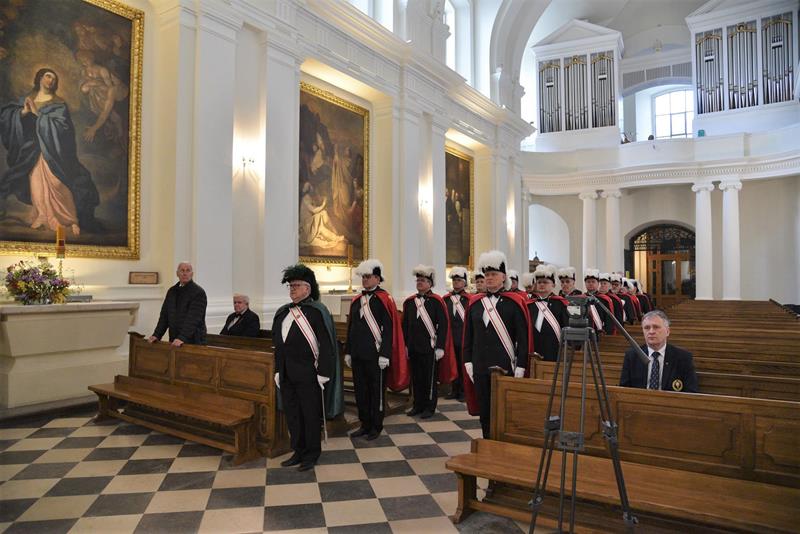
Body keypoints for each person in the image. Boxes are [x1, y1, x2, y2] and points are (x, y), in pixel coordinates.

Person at [0, 67, 100, 234]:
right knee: (36, 184)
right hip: (31, 151)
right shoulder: (27, 99)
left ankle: (70, 219)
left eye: (53, 78)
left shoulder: (59, 104)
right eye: (47, 76)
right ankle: (43, 216)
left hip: (53, 152)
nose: (50, 80)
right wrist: (23, 112)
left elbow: (64, 129)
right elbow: (6, 117)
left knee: (57, 183)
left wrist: (38, 114)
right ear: (40, 78)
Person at [272, 264, 343, 471]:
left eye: (296, 285)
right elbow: (279, 345)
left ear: (307, 288)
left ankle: (311, 454)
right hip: (287, 373)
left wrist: (323, 373)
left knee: (310, 416)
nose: (292, 289)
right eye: (290, 286)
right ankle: (298, 450)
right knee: (293, 415)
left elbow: (326, 345)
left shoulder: (317, 312)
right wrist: (278, 370)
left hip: (309, 375)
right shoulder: (283, 312)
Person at [462, 250, 531, 438]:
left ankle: (502, 445)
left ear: (503, 277)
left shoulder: (514, 302)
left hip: (504, 365)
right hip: (479, 365)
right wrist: (468, 361)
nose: (489, 278)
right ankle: (487, 442)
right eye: (487, 274)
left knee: (503, 410)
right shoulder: (475, 303)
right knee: (484, 410)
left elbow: (523, 338)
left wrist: (521, 365)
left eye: (493, 274)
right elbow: (468, 335)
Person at [344, 259, 407, 440]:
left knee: (376, 392)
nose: (365, 280)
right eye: (363, 277)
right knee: (361, 392)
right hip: (358, 354)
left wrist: (385, 354)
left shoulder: (384, 299)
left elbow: (389, 329)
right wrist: (348, 351)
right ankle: (364, 424)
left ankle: (375, 426)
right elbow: (352, 327)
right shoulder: (357, 300)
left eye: (368, 277)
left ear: (378, 279)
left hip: (376, 355)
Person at [402, 266, 456, 418]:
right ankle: (417, 405)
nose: (419, 282)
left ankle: (429, 407)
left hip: (430, 347)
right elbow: (405, 325)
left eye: (423, 280)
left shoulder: (437, 301)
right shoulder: (410, 302)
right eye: (418, 280)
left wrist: (440, 347)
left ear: (430, 283)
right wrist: (405, 345)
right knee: (416, 379)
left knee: (429, 379)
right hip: (413, 347)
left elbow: (443, 325)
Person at [619, 310, 698, 393]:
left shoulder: (683, 357)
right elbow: (623, 390)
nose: (651, 332)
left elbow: (691, 392)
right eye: (647, 328)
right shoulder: (632, 355)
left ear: (667, 331)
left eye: (656, 327)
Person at [148, 262, 207, 346]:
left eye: (188, 270)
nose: (185, 273)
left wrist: (182, 337)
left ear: (192, 274)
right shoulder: (172, 291)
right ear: (177, 273)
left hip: (193, 341)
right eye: (182, 270)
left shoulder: (198, 292)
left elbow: (193, 319)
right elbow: (164, 316)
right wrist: (157, 335)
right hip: (175, 339)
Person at [528, 264, 568, 361]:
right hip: (534, 348)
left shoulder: (561, 303)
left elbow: (566, 327)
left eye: (545, 282)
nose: (542, 284)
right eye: (539, 282)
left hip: (554, 348)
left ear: (553, 285)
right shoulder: (529, 304)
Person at [444, 267, 471, 401]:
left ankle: (464, 391)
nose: (456, 282)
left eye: (459, 280)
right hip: (450, 337)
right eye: (454, 280)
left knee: (463, 365)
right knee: (452, 364)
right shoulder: (446, 299)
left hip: (464, 337)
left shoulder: (469, 299)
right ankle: (454, 390)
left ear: (464, 282)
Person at [583, 269, 615, 335]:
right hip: (584, 333)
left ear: (598, 284)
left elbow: (609, 320)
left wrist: (607, 333)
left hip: (600, 334)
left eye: (593, 282)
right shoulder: (581, 298)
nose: (590, 284)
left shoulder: (605, 299)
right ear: (585, 284)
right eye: (588, 282)